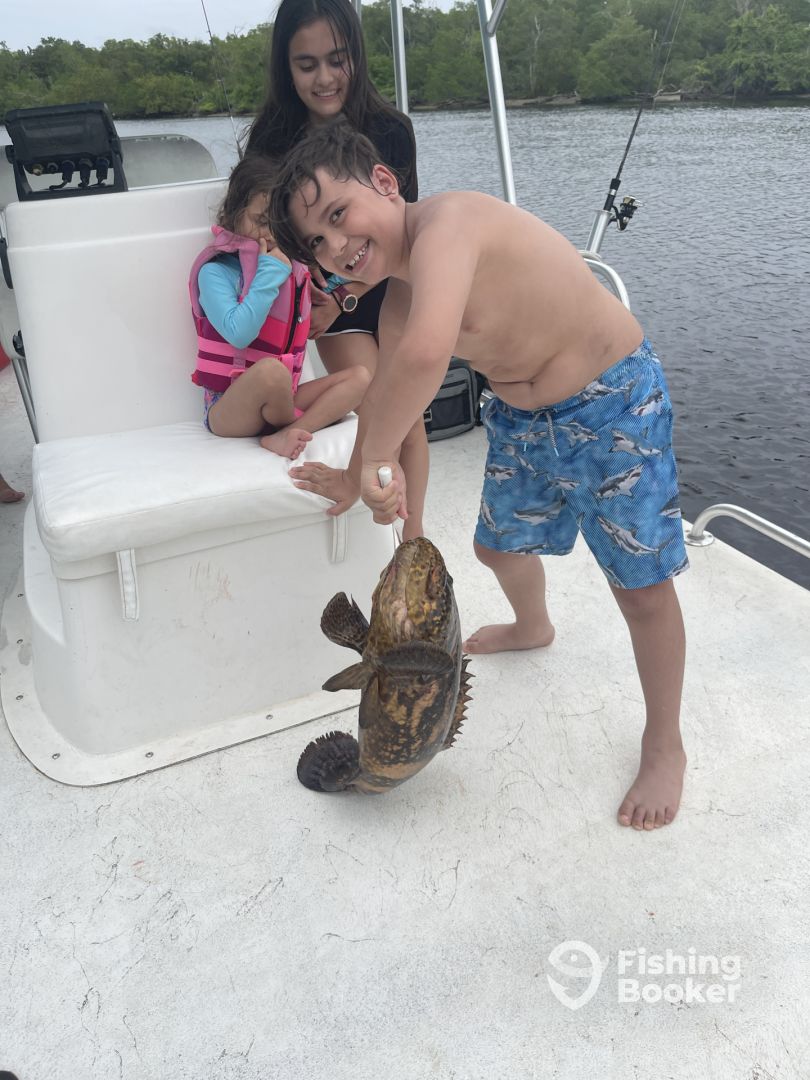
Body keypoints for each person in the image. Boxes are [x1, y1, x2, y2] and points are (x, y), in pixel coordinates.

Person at [269, 121, 689, 832]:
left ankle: (664, 744)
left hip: (614, 404)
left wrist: (373, 462)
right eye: (316, 241)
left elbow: (426, 356)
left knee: (642, 591)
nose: (335, 246)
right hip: (523, 422)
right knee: (496, 549)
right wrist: (359, 477)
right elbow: (392, 392)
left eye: (338, 214)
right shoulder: (397, 298)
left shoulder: (451, 224)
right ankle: (534, 624)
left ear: (384, 183)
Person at [244, 0, 429, 535]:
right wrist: (318, 297)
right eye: (306, 65)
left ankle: (415, 544)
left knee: (409, 422)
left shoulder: (392, 131)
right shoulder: (271, 140)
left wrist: (350, 291)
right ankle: (396, 529)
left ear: (357, 57)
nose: (324, 78)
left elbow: (404, 227)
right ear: (286, 68)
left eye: (337, 60)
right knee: (377, 400)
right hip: (324, 300)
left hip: (389, 289)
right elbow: (269, 234)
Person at [190, 155, 368, 458]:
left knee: (360, 378)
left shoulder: (292, 269)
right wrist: (269, 274)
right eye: (261, 221)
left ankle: (287, 433)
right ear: (232, 215)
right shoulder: (215, 272)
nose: (270, 234)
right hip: (229, 406)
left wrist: (309, 294)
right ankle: (292, 426)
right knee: (272, 372)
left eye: (279, 224)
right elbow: (239, 333)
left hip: (284, 395)